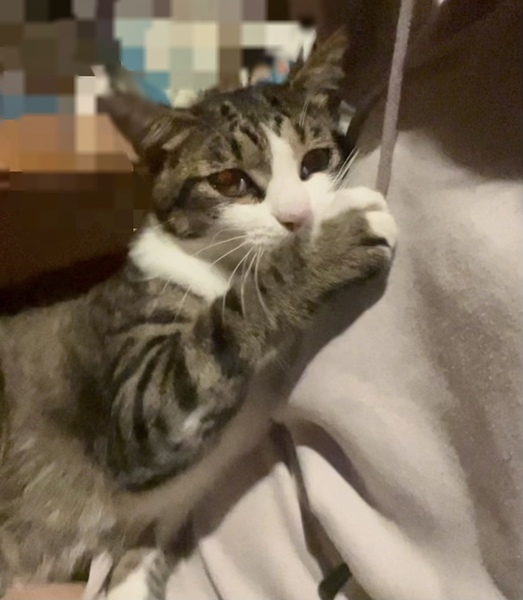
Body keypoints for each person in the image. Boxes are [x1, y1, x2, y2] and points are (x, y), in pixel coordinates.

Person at [7, 0, 521, 598]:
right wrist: (286, 285)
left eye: (313, 163)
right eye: (233, 182)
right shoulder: (163, 283)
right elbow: (146, 438)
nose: (293, 210)